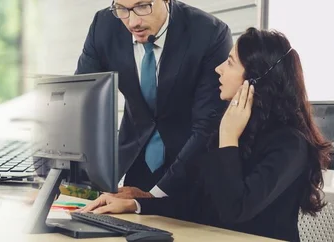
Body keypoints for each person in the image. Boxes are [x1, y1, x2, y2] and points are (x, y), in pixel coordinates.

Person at [78, 27, 333, 242]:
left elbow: (234, 209)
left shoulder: (290, 144)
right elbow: (199, 204)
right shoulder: (236, 129)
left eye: (230, 62)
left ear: (254, 80)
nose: (219, 69)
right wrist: (136, 204)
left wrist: (229, 138)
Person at [75, 0, 232, 204]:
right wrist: (58, 184)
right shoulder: (104, 25)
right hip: (136, 164)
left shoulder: (209, 33)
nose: (132, 22)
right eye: (122, 9)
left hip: (193, 172)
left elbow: (208, 126)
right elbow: (80, 103)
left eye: (142, 6)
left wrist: (153, 197)